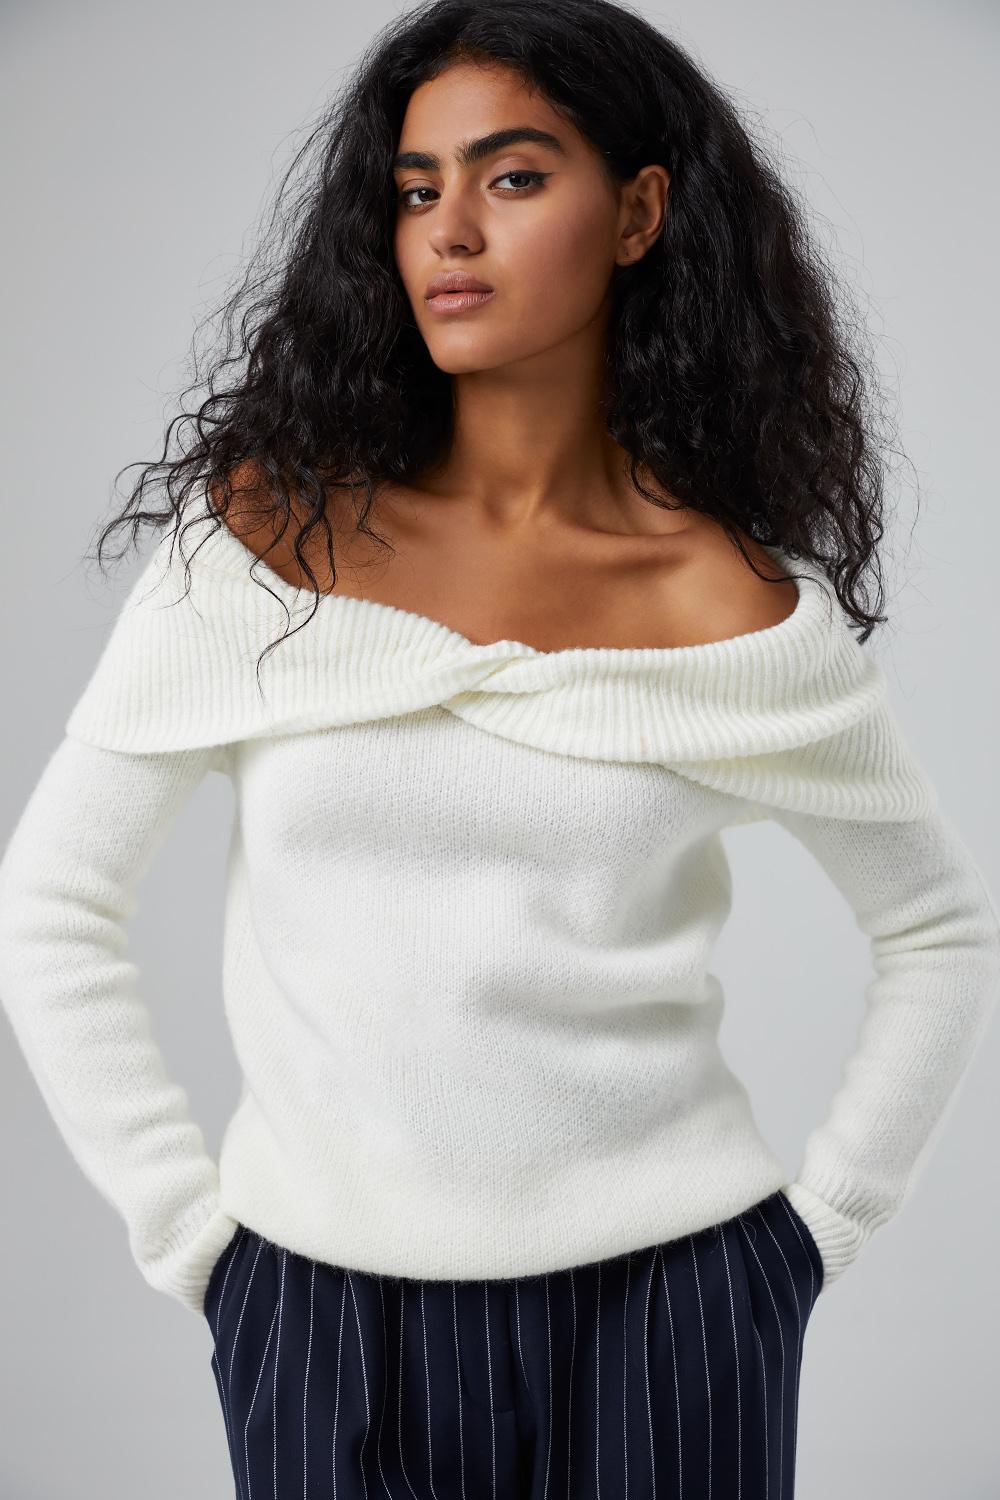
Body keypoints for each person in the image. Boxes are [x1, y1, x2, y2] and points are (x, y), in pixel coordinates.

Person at [1, 0, 997, 1496]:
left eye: (514, 177)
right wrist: (197, 1244)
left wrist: (817, 1236)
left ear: (640, 214)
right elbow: (55, 900)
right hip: (320, 1311)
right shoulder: (263, 548)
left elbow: (936, 928)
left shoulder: (727, 602)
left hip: (676, 1307)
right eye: (417, 190)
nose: (450, 232)